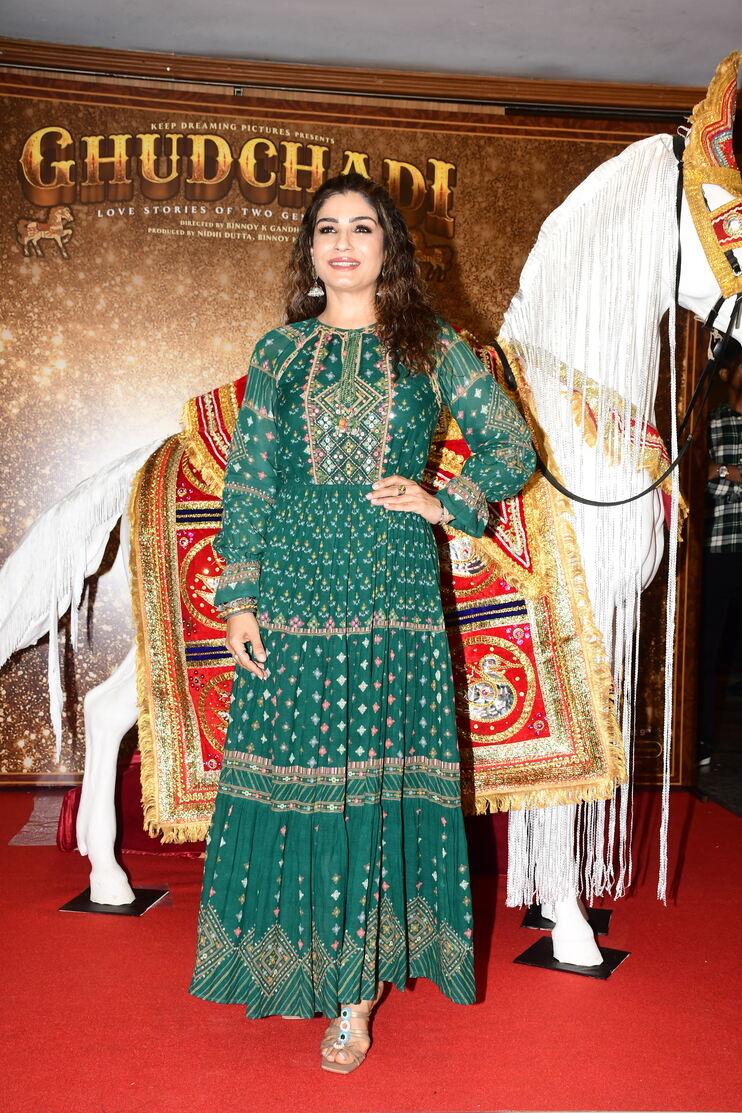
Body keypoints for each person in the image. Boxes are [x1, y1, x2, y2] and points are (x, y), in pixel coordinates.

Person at [188, 171, 536, 1072]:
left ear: (390, 247)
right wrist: (239, 597)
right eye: (327, 229)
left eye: (362, 228)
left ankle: (354, 996)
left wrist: (445, 499)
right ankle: (295, 957)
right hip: (295, 584)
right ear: (310, 249)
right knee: (302, 772)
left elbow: (512, 445)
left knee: (373, 779)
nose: (343, 243)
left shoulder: (433, 343)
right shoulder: (281, 351)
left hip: (391, 586)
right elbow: (250, 479)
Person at [697, 336, 742, 768]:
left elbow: (714, 478)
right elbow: (699, 480)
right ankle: (701, 742)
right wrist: (732, 474)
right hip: (720, 548)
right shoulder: (711, 423)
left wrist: (721, 474)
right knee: (706, 647)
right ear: (727, 374)